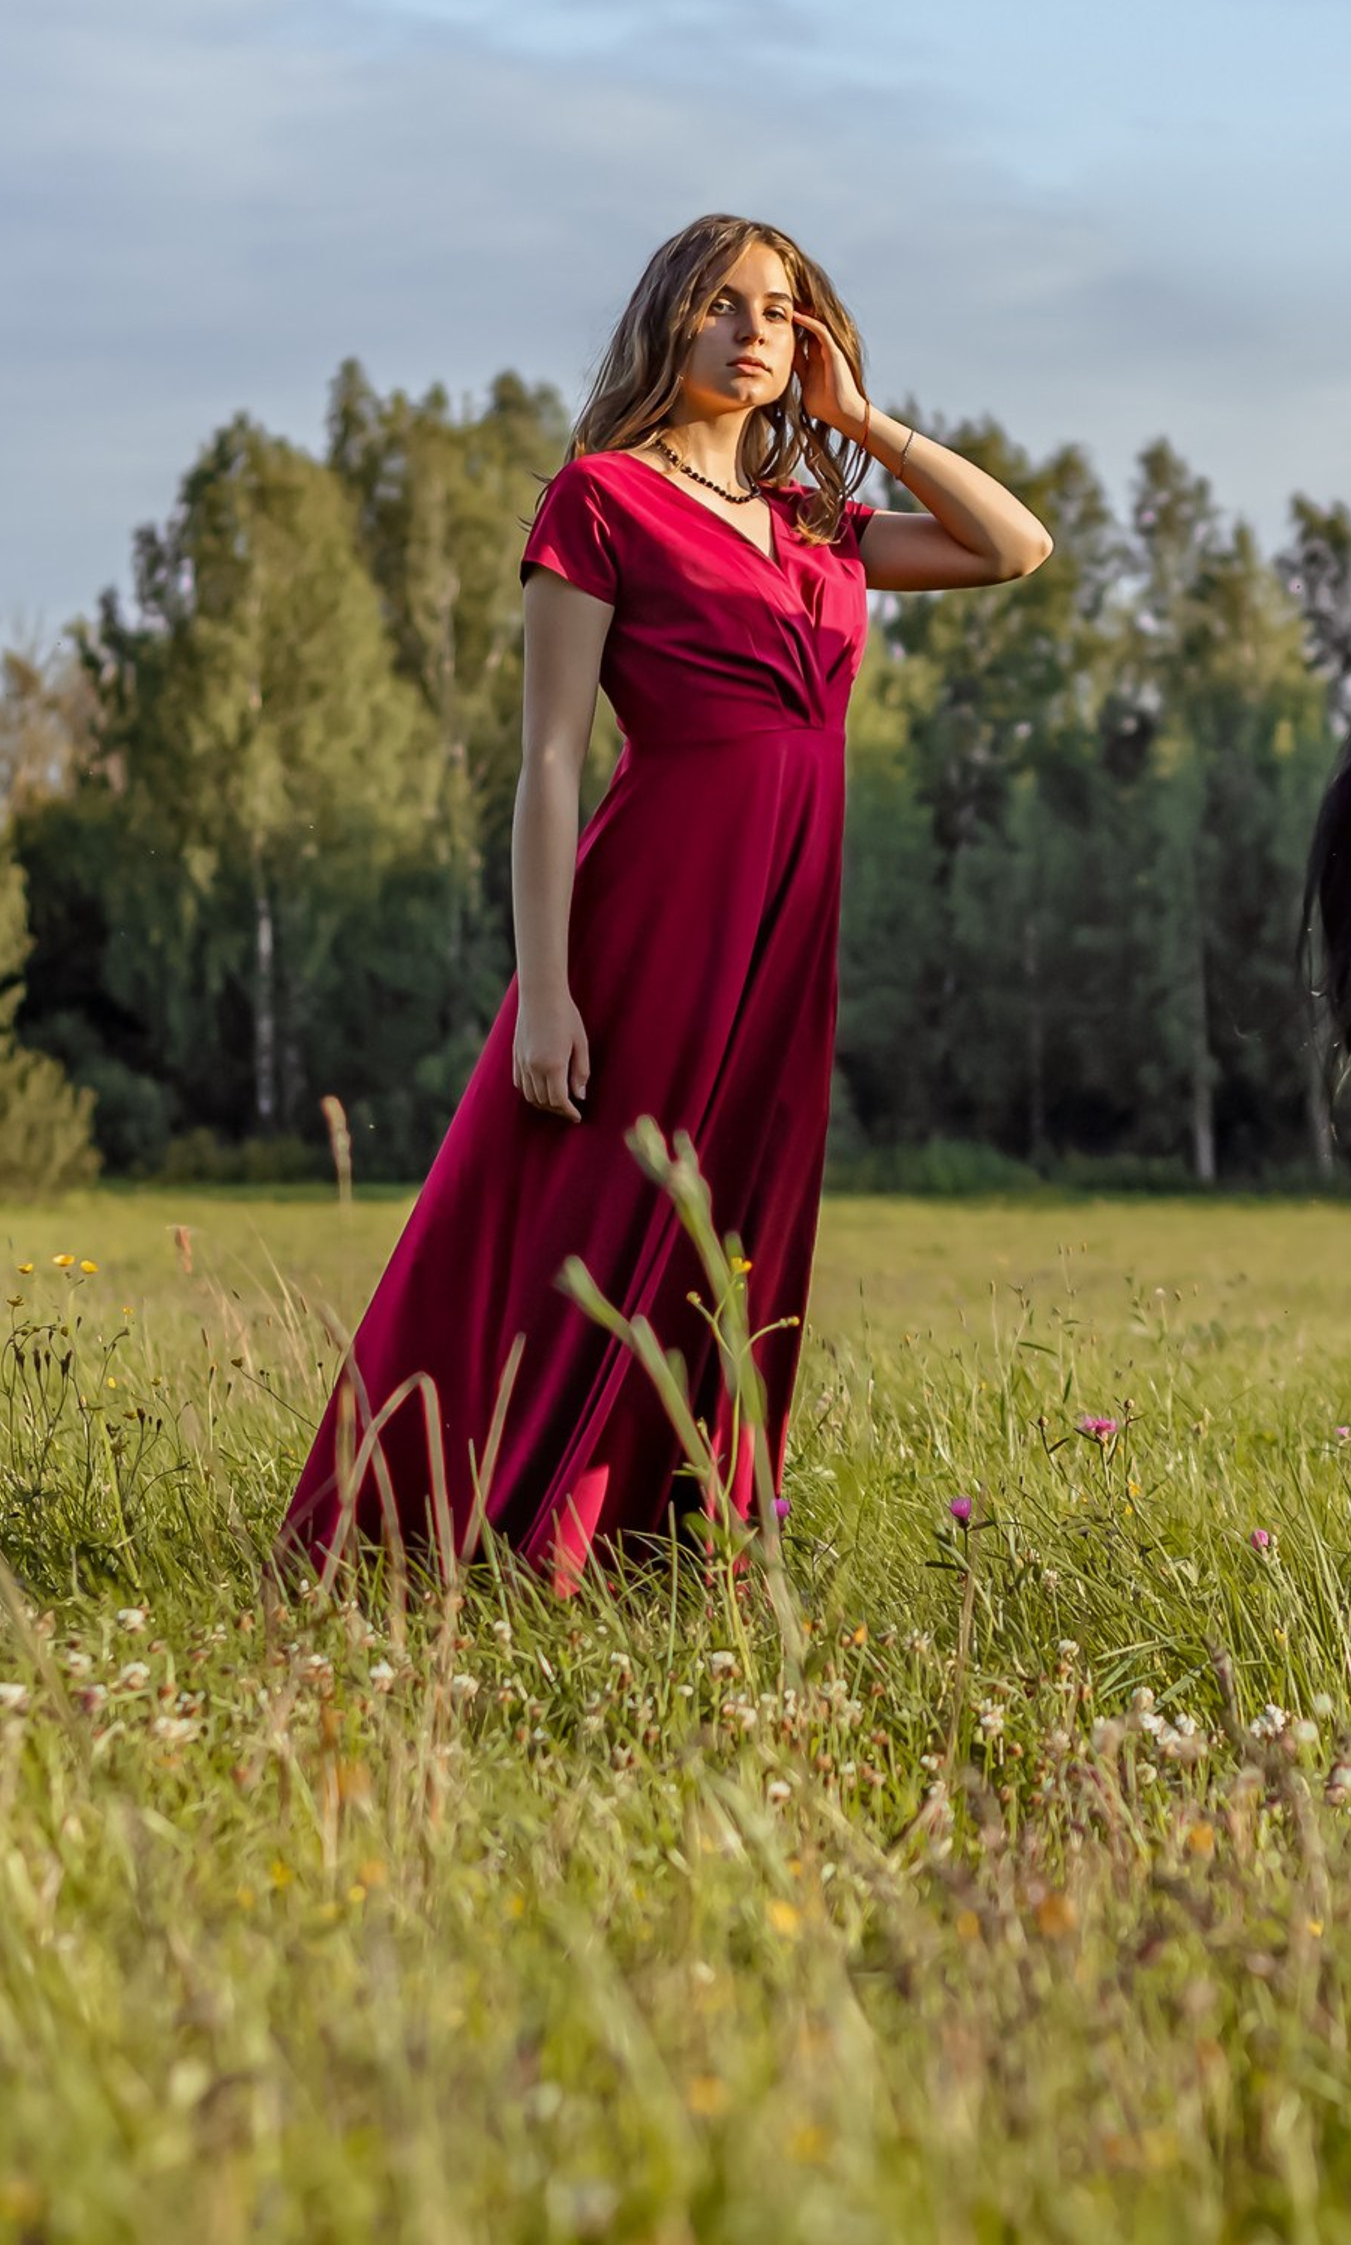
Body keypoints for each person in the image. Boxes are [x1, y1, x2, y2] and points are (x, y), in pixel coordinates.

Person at [282, 214, 1052, 1589]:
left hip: (790, 921)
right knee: (587, 1208)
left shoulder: (815, 522)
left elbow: (1015, 546)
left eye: (782, 311)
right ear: (666, 321)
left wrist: (859, 421)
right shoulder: (601, 500)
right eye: (723, 304)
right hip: (658, 911)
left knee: (740, 1218)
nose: (754, 332)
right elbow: (550, 763)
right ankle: (466, 1519)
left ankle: (676, 1535)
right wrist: (548, 994)